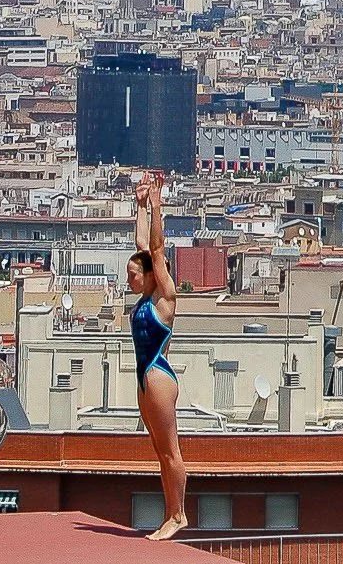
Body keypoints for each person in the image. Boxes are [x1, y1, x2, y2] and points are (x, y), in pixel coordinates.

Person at [129, 172, 187, 540]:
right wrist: (138, 206)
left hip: (159, 375)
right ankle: (169, 513)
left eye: (134, 274)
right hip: (143, 378)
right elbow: (142, 245)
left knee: (170, 451)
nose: (130, 279)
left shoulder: (163, 296)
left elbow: (156, 250)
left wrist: (157, 205)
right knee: (158, 453)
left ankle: (178, 515)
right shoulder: (144, 297)